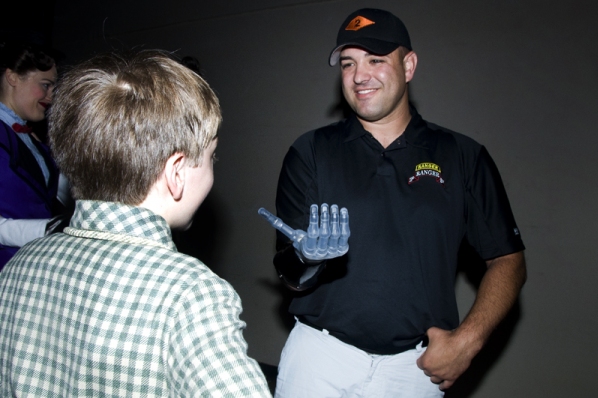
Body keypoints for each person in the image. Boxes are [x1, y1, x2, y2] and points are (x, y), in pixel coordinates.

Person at [269, 8, 527, 397]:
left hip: (415, 369)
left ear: (408, 66)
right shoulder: (310, 152)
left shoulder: (462, 155)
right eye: (348, 63)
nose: (359, 75)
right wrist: (304, 258)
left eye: (375, 60)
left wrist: (467, 342)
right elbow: (289, 273)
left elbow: (508, 261)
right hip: (319, 359)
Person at [0, 49, 271, 397]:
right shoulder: (191, 294)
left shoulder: (22, 264)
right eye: (210, 156)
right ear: (176, 173)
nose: (213, 167)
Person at [0, 37, 71, 270]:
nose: (51, 97)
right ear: (12, 77)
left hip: (29, 266)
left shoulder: (33, 138)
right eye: (45, 85)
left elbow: (58, 195)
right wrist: (47, 229)